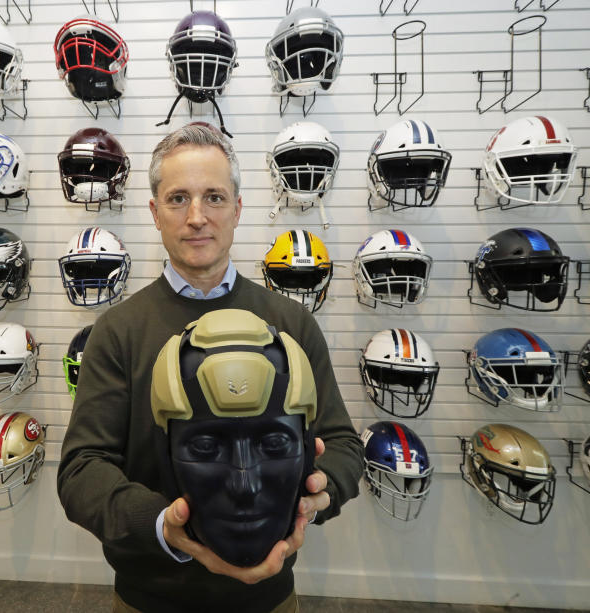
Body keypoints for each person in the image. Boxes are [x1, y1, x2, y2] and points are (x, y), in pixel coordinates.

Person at [57, 124, 363, 613]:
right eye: (178, 199)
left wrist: (319, 491)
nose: (197, 217)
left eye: (214, 197)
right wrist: (164, 525)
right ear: (155, 213)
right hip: (150, 599)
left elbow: (343, 445)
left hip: (268, 598)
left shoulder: (290, 324)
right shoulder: (118, 332)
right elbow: (80, 472)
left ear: (237, 210)